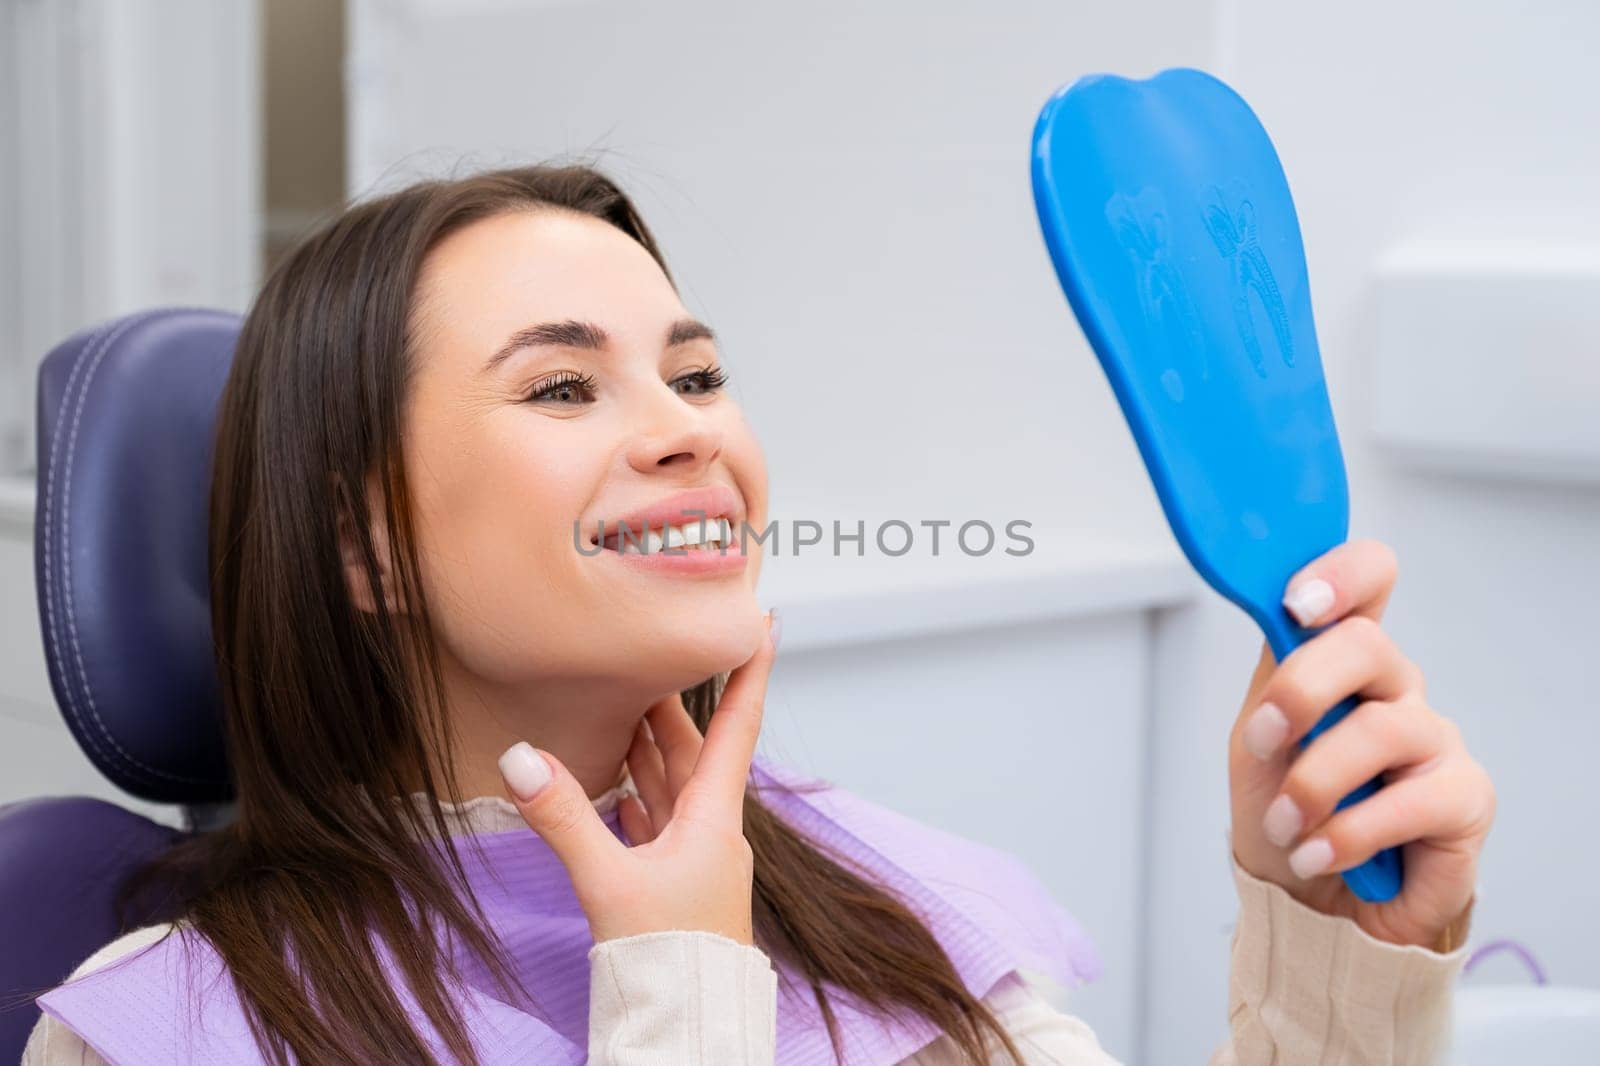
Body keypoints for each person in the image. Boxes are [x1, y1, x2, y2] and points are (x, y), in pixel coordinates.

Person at [24, 164, 1494, 1065]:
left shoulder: (885, 905)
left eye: (699, 373)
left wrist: (1330, 952)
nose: (688, 433)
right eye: (560, 384)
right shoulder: (161, 1031)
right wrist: (683, 992)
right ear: (365, 543)